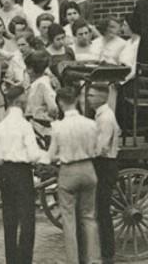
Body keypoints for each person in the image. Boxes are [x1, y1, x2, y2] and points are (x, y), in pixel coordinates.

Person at [0, 85, 45, 264]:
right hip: (22, 172)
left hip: (5, 172)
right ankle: (24, 260)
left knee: (9, 217)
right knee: (27, 218)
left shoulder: (0, 126)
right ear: (20, 102)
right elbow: (33, 155)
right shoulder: (24, 126)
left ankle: (11, 260)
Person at [48, 86, 101, 264]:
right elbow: (96, 150)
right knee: (89, 217)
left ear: (60, 103)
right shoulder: (91, 124)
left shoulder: (57, 127)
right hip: (88, 169)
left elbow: (51, 156)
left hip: (68, 171)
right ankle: (94, 259)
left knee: (68, 220)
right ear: (77, 100)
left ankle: (73, 260)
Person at [88, 82, 120, 264]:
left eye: (91, 96)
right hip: (102, 164)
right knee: (100, 209)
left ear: (102, 97)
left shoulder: (105, 118)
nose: (88, 99)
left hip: (105, 165)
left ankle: (108, 255)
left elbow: (101, 147)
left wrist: (83, 153)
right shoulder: (100, 115)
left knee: (103, 211)